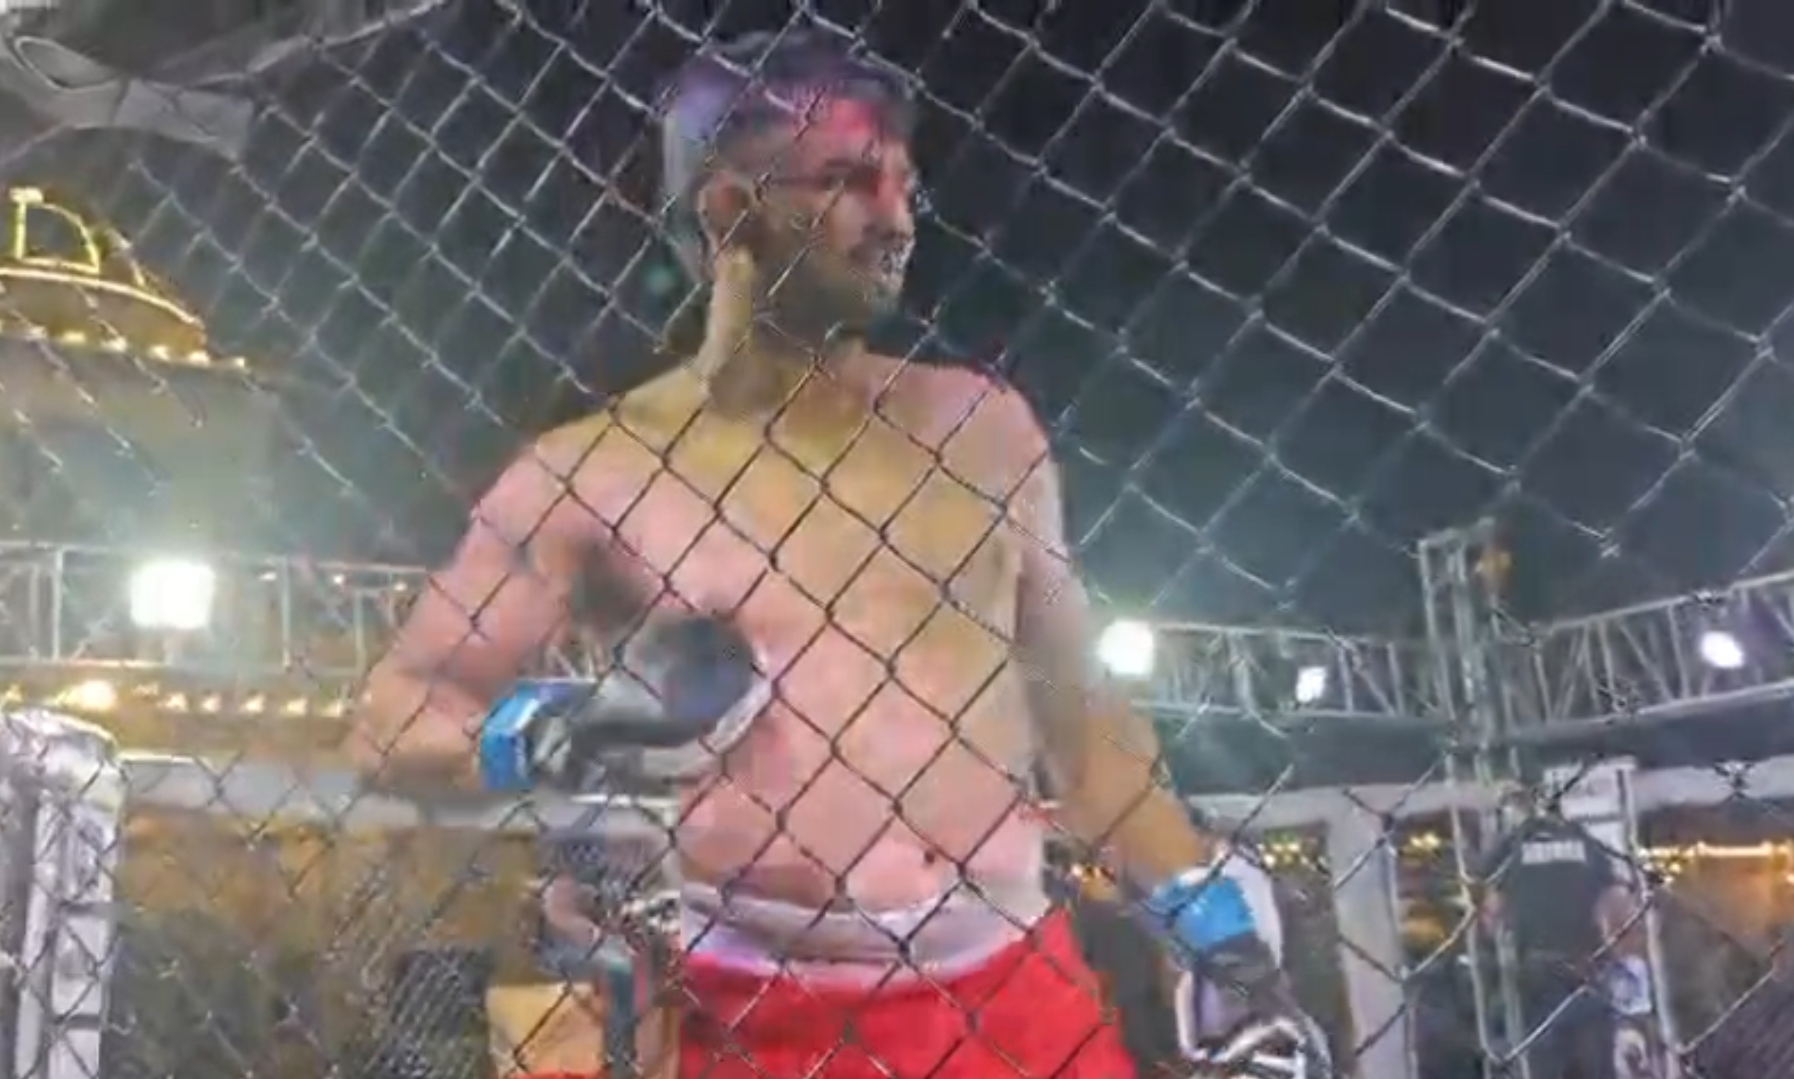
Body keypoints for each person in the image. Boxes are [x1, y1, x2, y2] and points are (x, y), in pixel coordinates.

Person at [350, 28, 1325, 1079]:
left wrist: (1218, 937)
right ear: (730, 208)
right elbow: (392, 715)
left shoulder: (981, 430)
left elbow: (1086, 729)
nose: (896, 219)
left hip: (1014, 985)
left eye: (904, 185)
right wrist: (563, 734)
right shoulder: (595, 472)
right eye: (848, 182)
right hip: (757, 1009)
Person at [1477, 792, 1653, 1079]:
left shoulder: (1511, 847)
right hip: (1587, 970)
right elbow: (1615, 907)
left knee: (1540, 1063)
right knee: (1596, 1063)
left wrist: (1500, 943)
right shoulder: (1586, 842)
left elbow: (1492, 912)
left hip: (1535, 976)